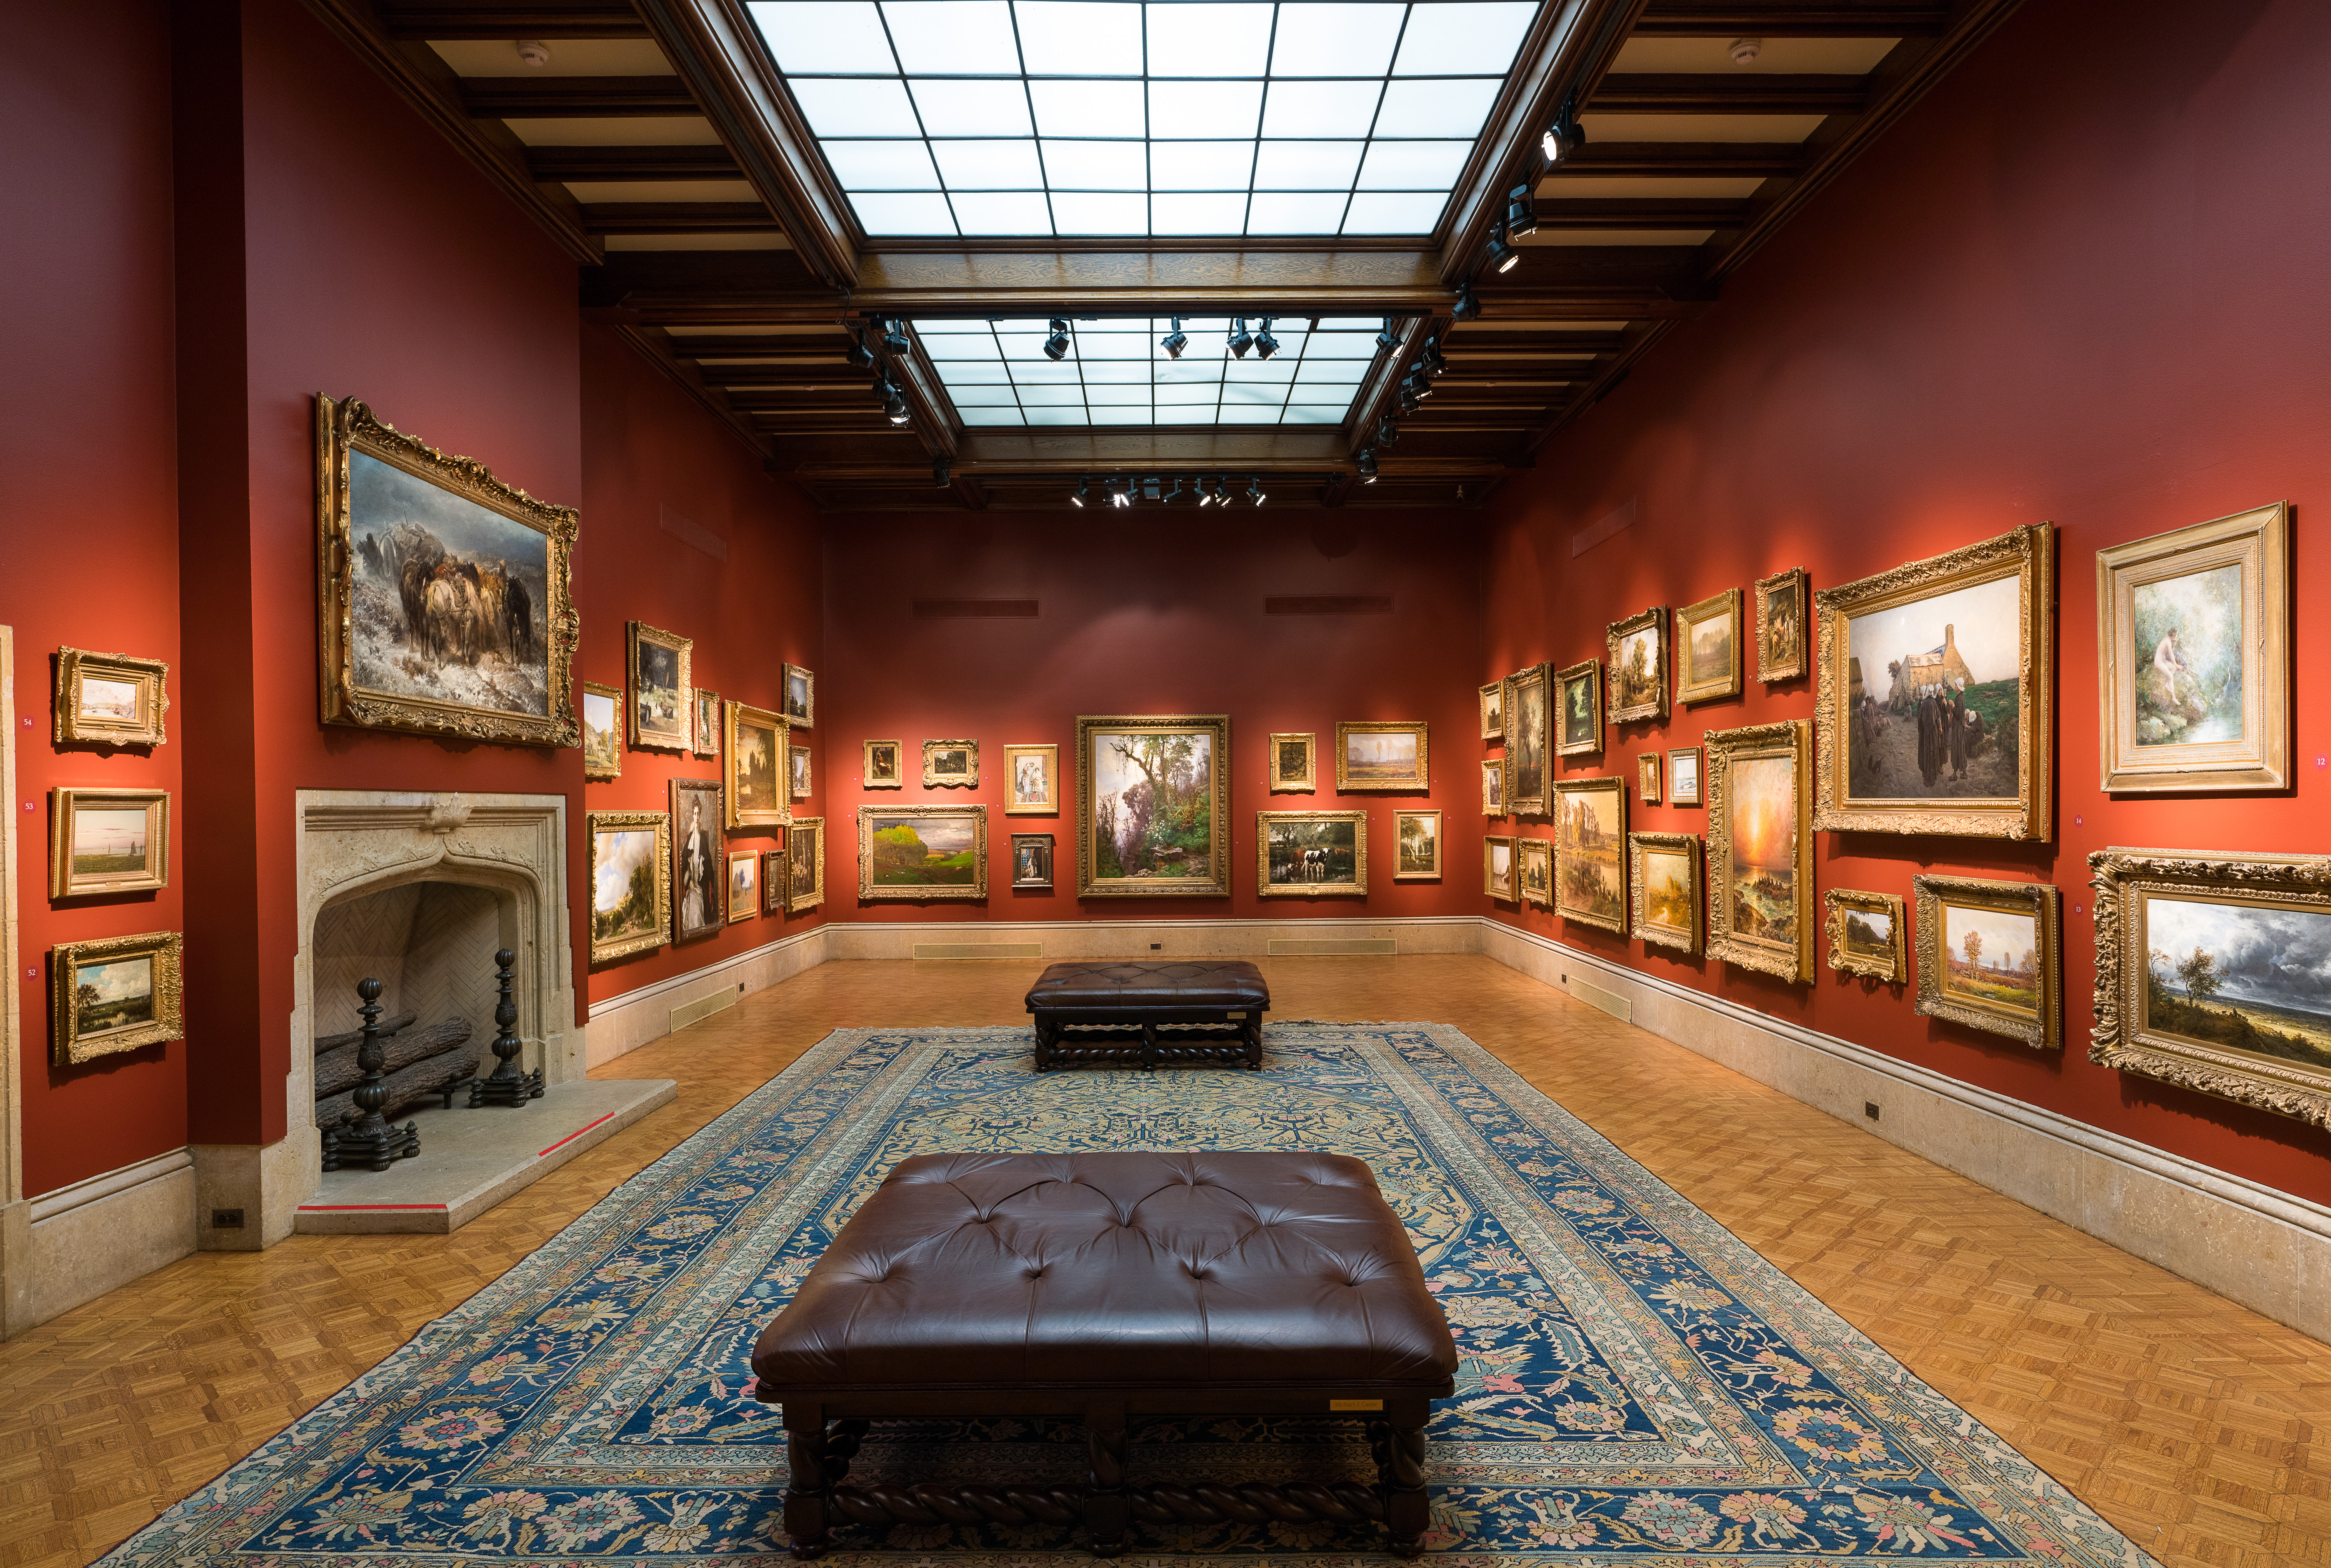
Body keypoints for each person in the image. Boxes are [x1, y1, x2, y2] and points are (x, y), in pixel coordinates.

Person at [2153, 625, 2186, 706]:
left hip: (2163, 661)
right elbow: (2171, 654)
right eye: (2177, 635)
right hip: (2159, 662)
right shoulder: (2167, 642)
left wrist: (2175, 642)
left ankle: (2167, 684)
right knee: (2171, 676)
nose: (2177, 636)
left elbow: (2171, 651)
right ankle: (2173, 698)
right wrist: (2177, 665)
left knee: (2173, 668)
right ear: (2174, 635)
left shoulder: (2168, 639)